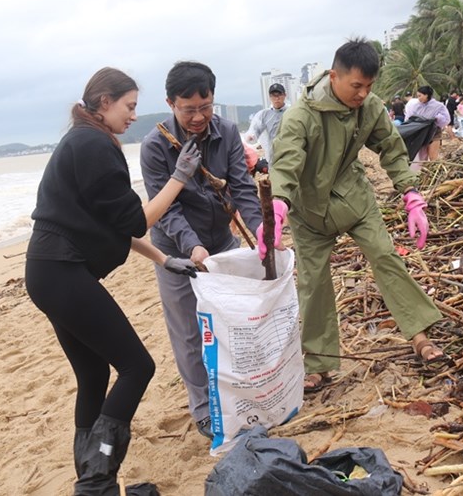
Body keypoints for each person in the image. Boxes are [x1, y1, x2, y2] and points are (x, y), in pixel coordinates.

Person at [25, 67, 202, 495]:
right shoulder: (93, 145)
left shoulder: (82, 140)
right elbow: (136, 220)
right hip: (61, 271)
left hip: (48, 271)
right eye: (130, 106)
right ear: (104, 102)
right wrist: (179, 178)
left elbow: (112, 225)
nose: (133, 116)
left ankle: (92, 482)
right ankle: (97, 482)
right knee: (138, 366)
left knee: (92, 376)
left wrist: (164, 258)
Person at [263, 38, 446, 392]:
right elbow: (286, 161)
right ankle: (318, 363)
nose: (362, 94)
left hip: (355, 200)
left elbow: (392, 148)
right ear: (334, 76)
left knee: (384, 255)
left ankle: (420, 336)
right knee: (313, 282)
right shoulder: (302, 114)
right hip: (308, 211)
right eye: (356, 85)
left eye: (369, 86)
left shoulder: (370, 107)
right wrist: (279, 204)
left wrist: (410, 194)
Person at [140, 61, 263, 440]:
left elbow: (240, 186)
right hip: (177, 254)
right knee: (190, 333)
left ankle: (237, 392)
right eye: (188, 109)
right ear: (170, 104)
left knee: (231, 323)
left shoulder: (226, 131)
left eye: (205, 107)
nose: (198, 117)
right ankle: (203, 408)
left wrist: (261, 230)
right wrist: (191, 246)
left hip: (223, 242)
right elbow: (166, 211)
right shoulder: (154, 146)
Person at [404, 85, 451, 161]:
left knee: (433, 156)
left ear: (426, 95)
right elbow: (410, 118)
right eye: (417, 96)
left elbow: (446, 119)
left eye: (420, 96)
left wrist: (437, 118)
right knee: (422, 157)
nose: (418, 98)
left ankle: (434, 171)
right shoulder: (416, 106)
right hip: (420, 133)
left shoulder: (438, 106)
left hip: (434, 132)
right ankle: (424, 171)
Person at [245, 82, 289, 159]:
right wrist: (251, 136)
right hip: (272, 155)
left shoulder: (291, 111)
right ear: (269, 97)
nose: (276, 98)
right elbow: (254, 130)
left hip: (290, 153)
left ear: (285, 95)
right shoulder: (264, 114)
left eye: (279, 95)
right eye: (273, 96)